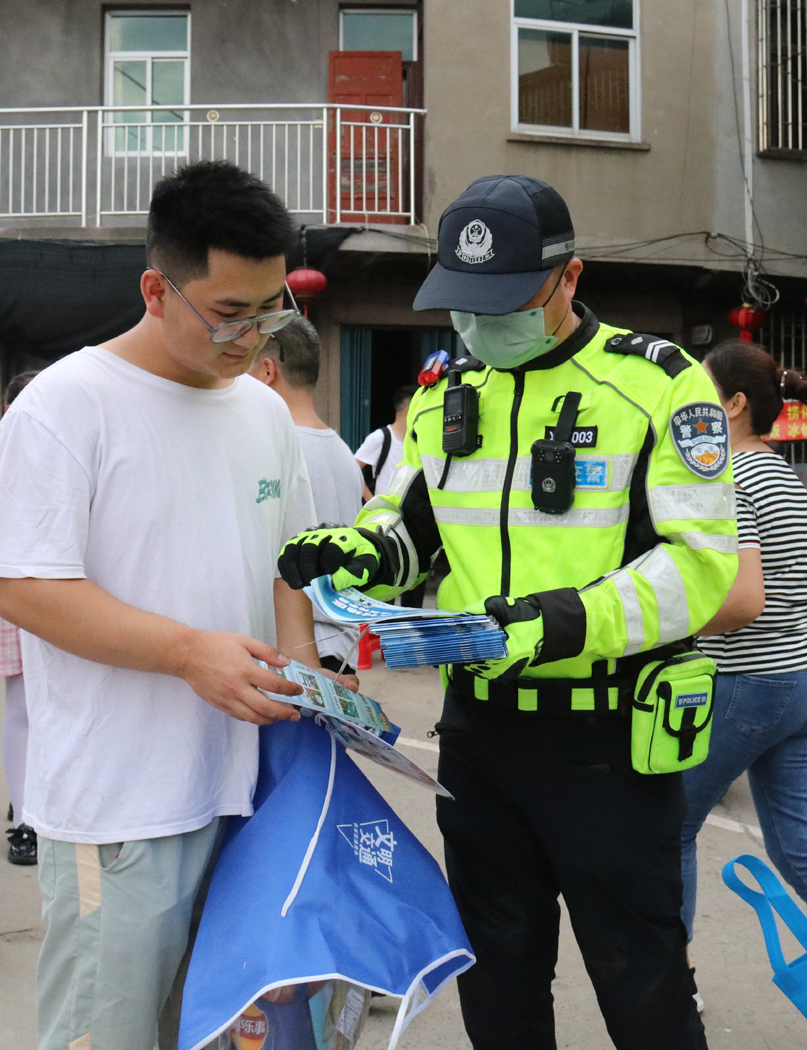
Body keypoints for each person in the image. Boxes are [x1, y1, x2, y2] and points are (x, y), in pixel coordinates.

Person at [280, 174, 737, 1050]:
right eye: (464, 301)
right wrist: (360, 551)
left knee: (640, 981)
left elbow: (700, 568)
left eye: (505, 301)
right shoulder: (452, 388)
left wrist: (558, 622)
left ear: (569, 279)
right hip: (481, 740)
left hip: (605, 745)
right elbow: (413, 526)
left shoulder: (658, 386)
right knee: (495, 974)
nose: (481, 323)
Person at [0, 161, 319, 1050]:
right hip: (120, 803)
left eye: (270, 307)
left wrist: (306, 673)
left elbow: (287, 566)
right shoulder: (66, 404)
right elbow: (22, 585)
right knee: (109, 1032)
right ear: (154, 290)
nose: (251, 335)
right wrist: (185, 653)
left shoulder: (263, 413)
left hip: (245, 788)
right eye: (228, 312)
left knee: (209, 1034)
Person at [679, 343, 807, 952]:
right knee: (801, 849)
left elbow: (742, 602)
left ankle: (670, 985)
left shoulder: (731, 477)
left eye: (702, 390)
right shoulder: (785, 473)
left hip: (750, 682)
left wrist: (660, 627)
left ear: (733, 405)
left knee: (670, 827)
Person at [247, 317, 365, 671]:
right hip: (339, 643)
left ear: (267, 371)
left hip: (292, 649)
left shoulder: (274, 450)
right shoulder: (343, 451)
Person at [0, 368, 39, 866]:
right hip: (18, 598)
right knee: (23, 707)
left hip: (73, 598)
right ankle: (24, 818)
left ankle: (30, 798)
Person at [355, 385, 414, 502]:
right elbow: (352, 468)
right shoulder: (380, 437)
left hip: (409, 513)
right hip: (385, 515)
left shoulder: (416, 441)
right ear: (410, 410)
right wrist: (371, 501)